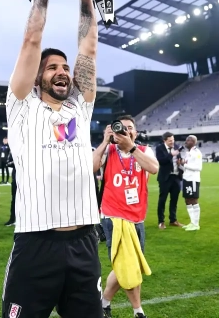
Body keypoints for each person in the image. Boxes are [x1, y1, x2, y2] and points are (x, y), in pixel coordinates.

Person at [2, 0, 101, 318]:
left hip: (84, 242)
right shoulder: (22, 106)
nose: (62, 72)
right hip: (36, 244)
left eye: (65, 68)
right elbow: (32, 40)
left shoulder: (80, 107)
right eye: (52, 67)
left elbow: (88, 47)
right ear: (37, 77)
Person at [92, 116, 159, 318]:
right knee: (126, 264)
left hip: (137, 218)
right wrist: (104, 141)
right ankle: (138, 311)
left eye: (130, 127)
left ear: (135, 132)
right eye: (121, 127)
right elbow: (91, 168)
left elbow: (153, 168)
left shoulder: (144, 150)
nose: (125, 130)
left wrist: (131, 148)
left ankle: (103, 303)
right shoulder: (109, 150)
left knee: (131, 265)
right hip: (113, 217)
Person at [155, 132, 183, 229]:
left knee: (174, 200)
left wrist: (180, 161)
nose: (172, 142)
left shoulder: (176, 146)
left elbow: (178, 157)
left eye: (173, 140)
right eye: (170, 141)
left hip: (176, 177)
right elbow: (161, 161)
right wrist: (171, 154)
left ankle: (173, 220)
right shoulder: (159, 148)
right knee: (162, 200)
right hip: (165, 178)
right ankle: (161, 221)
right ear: (165, 140)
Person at [182, 135, 204, 231]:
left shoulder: (197, 153)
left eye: (188, 140)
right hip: (186, 178)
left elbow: (199, 167)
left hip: (193, 180)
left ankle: (196, 224)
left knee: (193, 200)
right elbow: (186, 166)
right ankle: (192, 222)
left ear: (193, 142)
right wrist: (181, 165)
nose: (186, 142)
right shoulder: (188, 153)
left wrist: (185, 165)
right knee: (187, 200)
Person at [3, 150, 17, 227]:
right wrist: (17, 162)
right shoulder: (14, 150)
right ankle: (12, 219)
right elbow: (8, 163)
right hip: (16, 179)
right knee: (14, 199)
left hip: (28, 179)